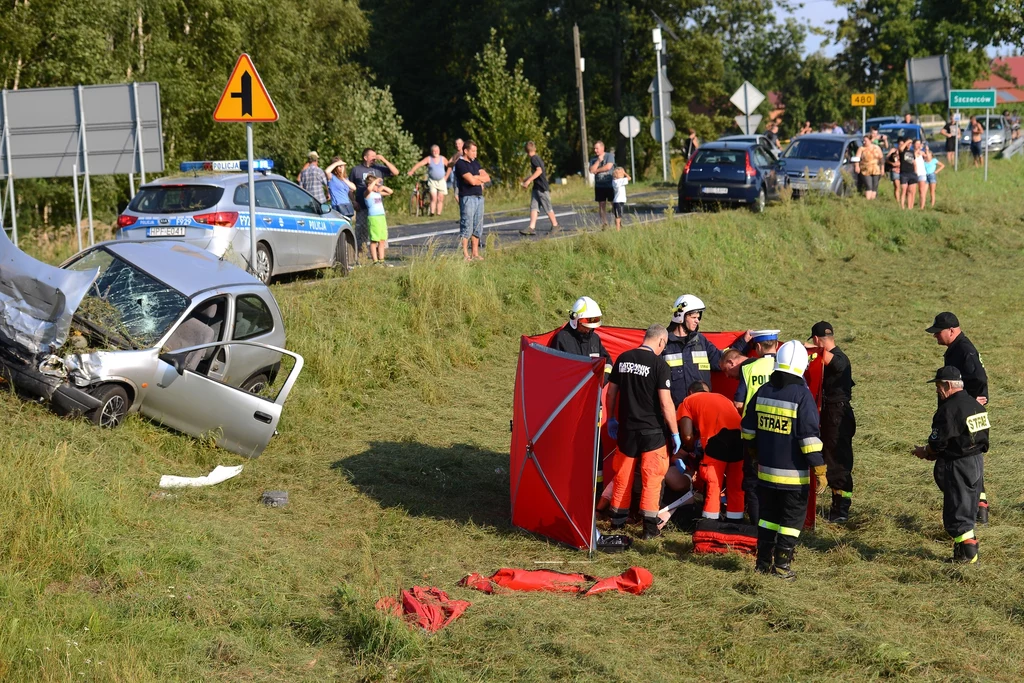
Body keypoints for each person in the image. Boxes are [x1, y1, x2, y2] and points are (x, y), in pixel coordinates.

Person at [740, 341, 825, 580]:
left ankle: (762, 563)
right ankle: (782, 567)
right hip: (793, 477)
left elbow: (747, 430)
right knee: (790, 522)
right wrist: (819, 467)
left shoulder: (763, 391)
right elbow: (808, 438)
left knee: (767, 518)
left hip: (765, 473)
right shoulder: (802, 396)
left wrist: (755, 452)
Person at [605, 323, 681, 540]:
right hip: (652, 433)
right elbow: (666, 403)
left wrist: (611, 418)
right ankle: (649, 530)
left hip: (626, 431)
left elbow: (611, 394)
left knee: (623, 477)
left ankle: (617, 522)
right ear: (660, 341)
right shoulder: (659, 365)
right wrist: (674, 432)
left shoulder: (623, 358)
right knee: (652, 479)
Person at [912, 367, 989, 564]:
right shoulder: (975, 405)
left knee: (957, 509)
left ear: (947, 385)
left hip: (959, 464)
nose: (937, 390)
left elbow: (938, 442)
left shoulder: (948, 409)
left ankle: (968, 557)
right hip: (976, 461)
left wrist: (925, 451)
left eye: (938, 385)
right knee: (968, 506)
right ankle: (964, 553)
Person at [926, 312, 990, 524]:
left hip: (959, 418)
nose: (935, 337)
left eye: (938, 332)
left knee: (957, 461)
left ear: (952, 330)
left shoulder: (964, 349)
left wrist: (968, 403)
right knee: (972, 457)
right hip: (960, 414)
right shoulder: (957, 347)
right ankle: (979, 510)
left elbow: (979, 377)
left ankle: (969, 512)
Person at [805, 321, 856, 523]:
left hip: (838, 415)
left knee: (837, 460)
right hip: (830, 414)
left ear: (817, 339)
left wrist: (808, 349)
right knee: (829, 456)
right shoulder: (835, 355)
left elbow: (832, 361)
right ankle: (837, 506)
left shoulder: (840, 358)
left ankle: (841, 509)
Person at [662, 294, 751, 407]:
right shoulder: (664, 343)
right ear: (681, 316)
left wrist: (744, 342)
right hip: (676, 413)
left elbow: (722, 360)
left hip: (702, 409)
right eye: (694, 317)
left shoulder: (700, 341)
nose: (697, 321)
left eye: (698, 317)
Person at [677, 381, 745, 522]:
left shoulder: (687, 401)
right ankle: (736, 522)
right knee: (736, 484)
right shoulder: (723, 398)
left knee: (713, 483)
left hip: (716, 441)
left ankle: (710, 522)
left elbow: (687, 434)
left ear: (690, 392)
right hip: (740, 439)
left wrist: (689, 448)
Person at [350, 149, 399, 249]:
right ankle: (361, 257)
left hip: (377, 208)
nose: (375, 158)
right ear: (365, 157)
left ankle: (380, 258)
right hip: (362, 206)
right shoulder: (356, 170)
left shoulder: (379, 168)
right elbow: (350, 189)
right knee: (361, 233)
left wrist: (384, 160)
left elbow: (396, 172)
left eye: (376, 156)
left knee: (380, 234)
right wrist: (353, 201)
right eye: (372, 156)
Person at [549, 296, 611, 369]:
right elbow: (555, 368)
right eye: (585, 326)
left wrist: (604, 377)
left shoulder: (595, 339)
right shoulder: (562, 339)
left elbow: (607, 362)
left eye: (591, 326)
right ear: (575, 321)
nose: (588, 330)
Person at [455, 141, 490, 262]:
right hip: (467, 198)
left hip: (479, 197)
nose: (476, 153)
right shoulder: (460, 164)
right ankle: (465, 254)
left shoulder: (476, 163)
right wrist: (478, 179)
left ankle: (475, 253)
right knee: (467, 226)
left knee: (477, 226)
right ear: (466, 151)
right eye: (473, 151)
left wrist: (477, 178)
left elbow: (487, 177)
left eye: (476, 151)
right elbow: (472, 181)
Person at [519, 141, 560, 236]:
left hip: (541, 187)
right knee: (534, 206)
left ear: (526, 151)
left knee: (547, 206)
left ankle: (555, 225)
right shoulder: (536, 158)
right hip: (536, 187)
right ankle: (531, 227)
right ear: (535, 149)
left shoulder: (534, 159)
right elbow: (537, 172)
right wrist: (527, 178)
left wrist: (528, 181)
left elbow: (539, 171)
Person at [407, 145, 450, 216]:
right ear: (431, 152)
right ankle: (432, 213)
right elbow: (419, 164)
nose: (435, 152)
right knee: (433, 197)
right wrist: (412, 170)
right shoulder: (429, 159)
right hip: (432, 181)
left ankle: (438, 214)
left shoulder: (443, 159)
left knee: (440, 198)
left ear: (439, 151)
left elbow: (449, 166)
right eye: (434, 151)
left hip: (441, 180)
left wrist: (446, 176)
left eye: (437, 151)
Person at [364, 175, 393, 264]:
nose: (377, 187)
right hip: (374, 218)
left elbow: (390, 192)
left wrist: (382, 186)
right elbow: (369, 189)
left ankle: (381, 260)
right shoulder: (367, 194)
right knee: (374, 240)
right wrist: (374, 182)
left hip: (381, 217)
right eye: (375, 185)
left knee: (382, 240)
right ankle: (375, 261)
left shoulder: (378, 193)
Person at [589, 141, 615, 226]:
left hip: (610, 184)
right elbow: (591, 170)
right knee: (601, 204)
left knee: (613, 202)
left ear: (602, 148)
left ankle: (617, 221)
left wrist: (597, 170)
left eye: (597, 148)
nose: (595, 150)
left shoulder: (609, 156)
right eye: (594, 148)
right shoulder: (593, 159)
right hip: (599, 185)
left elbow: (608, 167)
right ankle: (604, 223)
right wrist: (598, 161)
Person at [855, 133, 884, 200]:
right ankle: (868, 199)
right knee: (869, 185)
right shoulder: (861, 148)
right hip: (865, 169)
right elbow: (857, 158)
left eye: (866, 141)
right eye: (863, 141)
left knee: (875, 185)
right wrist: (857, 166)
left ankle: (872, 200)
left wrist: (882, 168)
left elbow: (881, 158)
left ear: (870, 140)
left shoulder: (876, 148)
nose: (864, 142)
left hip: (875, 169)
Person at [899, 137, 917, 210]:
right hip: (904, 173)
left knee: (911, 191)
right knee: (904, 190)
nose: (909, 144)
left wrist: (916, 171)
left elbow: (914, 162)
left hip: (912, 172)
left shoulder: (912, 152)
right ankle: (902, 207)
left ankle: (910, 207)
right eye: (908, 143)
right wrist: (907, 141)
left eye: (910, 143)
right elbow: (900, 149)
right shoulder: (902, 151)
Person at [611, 167, 630, 231]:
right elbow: (629, 178)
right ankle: (618, 228)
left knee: (618, 215)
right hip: (619, 201)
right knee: (618, 216)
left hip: (618, 200)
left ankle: (618, 226)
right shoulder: (620, 181)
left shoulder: (614, 181)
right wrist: (625, 173)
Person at [913, 140, 927, 210]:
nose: (918, 145)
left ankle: (922, 207)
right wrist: (918, 150)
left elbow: (928, 158)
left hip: (922, 173)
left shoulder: (922, 153)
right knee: (913, 190)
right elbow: (914, 156)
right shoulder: (912, 152)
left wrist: (926, 151)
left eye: (919, 144)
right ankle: (911, 205)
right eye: (917, 144)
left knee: (922, 190)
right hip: (914, 173)